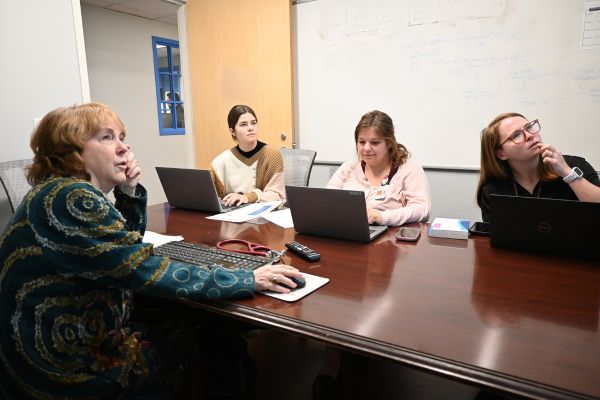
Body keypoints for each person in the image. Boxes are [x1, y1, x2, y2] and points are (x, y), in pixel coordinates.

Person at [0, 103, 302, 399]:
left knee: (202, 319)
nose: (123, 147)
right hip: (62, 368)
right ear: (71, 152)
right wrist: (247, 278)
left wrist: (128, 191)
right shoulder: (71, 198)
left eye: (121, 136)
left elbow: (121, 249)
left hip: (56, 342)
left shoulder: (58, 192)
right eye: (107, 137)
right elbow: (139, 267)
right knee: (210, 329)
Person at [476, 112, 600, 222]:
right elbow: (495, 238)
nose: (530, 135)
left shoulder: (574, 165)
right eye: (516, 135)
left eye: (529, 127)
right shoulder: (493, 190)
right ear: (501, 153)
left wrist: (568, 173)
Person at [326, 110, 431, 226]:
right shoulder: (347, 168)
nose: (366, 148)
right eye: (361, 142)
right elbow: (327, 200)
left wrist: (382, 217)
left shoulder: (410, 170)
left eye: (374, 143)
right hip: (347, 234)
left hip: (390, 240)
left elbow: (422, 209)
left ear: (389, 143)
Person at [210, 105, 285, 207]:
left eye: (253, 123)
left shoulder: (272, 154)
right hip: (232, 213)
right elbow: (210, 195)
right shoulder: (220, 161)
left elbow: (278, 195)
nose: (250, 128)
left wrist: (248, 197)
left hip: (262, 215)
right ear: (232, 131)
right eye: (243, 124)